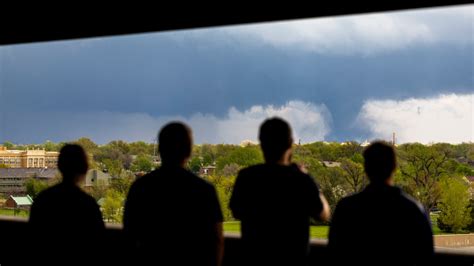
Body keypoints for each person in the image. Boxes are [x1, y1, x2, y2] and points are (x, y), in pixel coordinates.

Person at [229, 117, 330, 266]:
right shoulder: (300, 179)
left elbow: (236, 212)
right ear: (290, 144)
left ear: (262, 145)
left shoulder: (247, 176)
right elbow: (323, 215)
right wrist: (310, 181)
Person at [123, 122, 224, 266]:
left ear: (160, 149)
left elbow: (129, 237)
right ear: (189, 151)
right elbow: (217, 240)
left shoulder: (140, 188)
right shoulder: (204, 190)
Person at [328, 141, 433, 265]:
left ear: (366, 168)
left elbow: (334, 253)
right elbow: (426, 256)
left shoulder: (346, 208)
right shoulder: (413, 210)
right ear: (394, 167)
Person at [29, 144, 105, 263]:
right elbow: (98, 243)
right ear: (84, 169)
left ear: (59, 166)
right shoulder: (87, 204)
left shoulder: (43, 199)